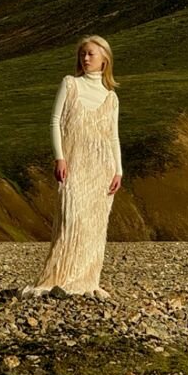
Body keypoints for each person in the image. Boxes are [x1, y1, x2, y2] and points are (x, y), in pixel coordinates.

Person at [20, 35, 122, 300]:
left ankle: (88, 278)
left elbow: (113, 136)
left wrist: (119, 170)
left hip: (102, 167)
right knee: (71, 219)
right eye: (82, 54)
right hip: (74, 163)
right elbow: (55, 121)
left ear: (104, 59)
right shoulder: (70, 84)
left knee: (94, 226)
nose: (85, 58)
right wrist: (60, 157)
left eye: (90, 54)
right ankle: (60, 276)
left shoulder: (111, 97)